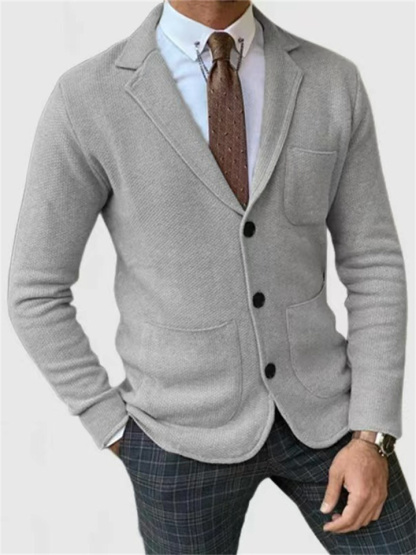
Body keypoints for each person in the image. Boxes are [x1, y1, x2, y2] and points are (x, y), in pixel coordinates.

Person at [7, 0, 415, 553]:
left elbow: (374, 263)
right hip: (176, 436)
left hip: (329, 416)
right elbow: (34, 289)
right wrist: (111, 425)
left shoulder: (331, 81)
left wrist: (373, 433)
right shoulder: (86, 98)